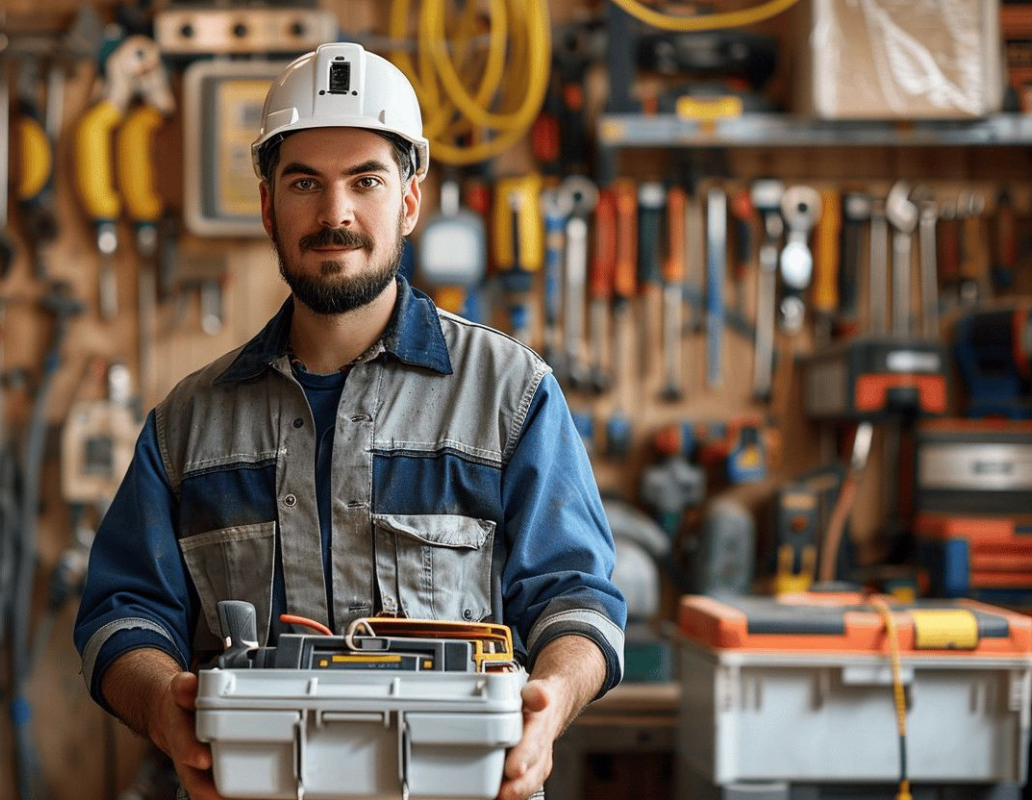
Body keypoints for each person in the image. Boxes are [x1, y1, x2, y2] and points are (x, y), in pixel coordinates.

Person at [73, 42, 625, 800]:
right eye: (305, 183)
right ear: (268, 204)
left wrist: (551, 701)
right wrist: (166, 714)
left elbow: (577, 598)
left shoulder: (512, 397)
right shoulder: (188, 426)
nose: (336, 214)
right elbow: (121, 614)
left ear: (408, 200)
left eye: (365, 180)